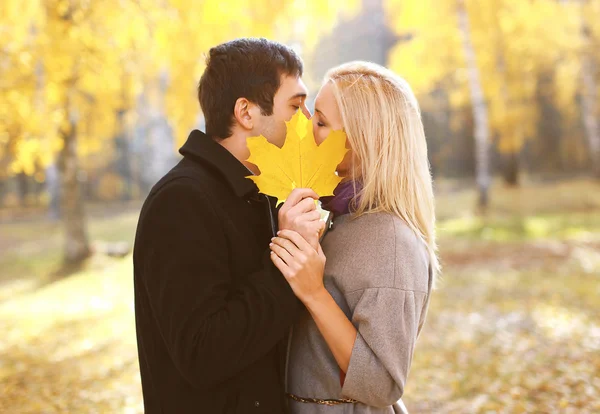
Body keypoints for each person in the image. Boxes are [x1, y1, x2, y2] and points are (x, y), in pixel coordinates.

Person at [133, 38, 325, 414]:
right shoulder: (181, 202)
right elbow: (201, 353)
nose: (306, 120)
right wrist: (288, 258)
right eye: (295, 104)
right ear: (246, 112)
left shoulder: (262, 194)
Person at [269, 61, 440, 413]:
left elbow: (382, 385)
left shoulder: (392, 241)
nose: (306, 130)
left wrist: (314, 292)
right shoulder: (343, 219)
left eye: (320, 122)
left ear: (361, 140)